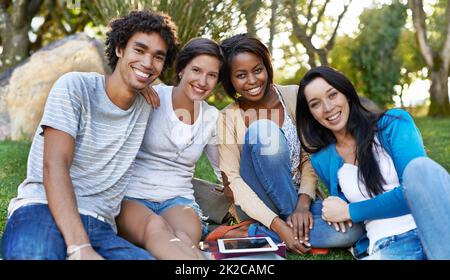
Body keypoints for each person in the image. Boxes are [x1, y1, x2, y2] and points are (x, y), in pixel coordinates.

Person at [1, 10, 179, 260]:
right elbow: (55, 165)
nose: (148, 63)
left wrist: (150, 86)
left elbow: (190, 96)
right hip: (42, 208)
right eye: (139, 50)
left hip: (100, 223)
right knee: (34, 255)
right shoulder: (75, 87)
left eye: (157, 57)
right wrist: (80, 246)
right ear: (119, 49)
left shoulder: (148, 102)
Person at [215, 34, 363, 255]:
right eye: (241, 75)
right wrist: (277, 223)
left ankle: (253, 234)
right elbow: (234, 182)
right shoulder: (227, 118)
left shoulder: (293, 95)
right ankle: (279, 227)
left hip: (300, 198)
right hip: (259, 205)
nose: (253, 81)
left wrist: (303, 205)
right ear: (230, 79)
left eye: (258, 70)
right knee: (263, 131)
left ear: (267, 66)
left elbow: (310, 155)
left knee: (354, 229)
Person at [296, 66, 450, 260]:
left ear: (346, 93)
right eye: (315, 104)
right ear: (310, 113)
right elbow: (343, 218)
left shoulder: (394, 124)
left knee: (420, 169)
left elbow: (414, 191)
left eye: (332, 95)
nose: (327, 108)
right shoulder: (322, 160)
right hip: (390, 246)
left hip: (437, 232)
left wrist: (350, 211)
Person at [116, 38, 223, 260]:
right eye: (196, 70)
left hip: (178, 200)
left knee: (185, 237)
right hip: (132, 196)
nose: (202, 81)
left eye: (211, 75)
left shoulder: (211, 117)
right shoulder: (151, 96)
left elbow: (223, 171)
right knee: (155, 228)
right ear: (182, 69)